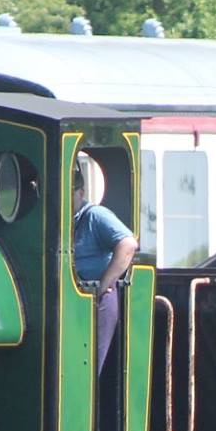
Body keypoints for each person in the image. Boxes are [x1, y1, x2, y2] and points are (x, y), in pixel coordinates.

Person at [72, 152, 137, 374]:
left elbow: (128, 244)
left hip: (97, 302)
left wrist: (105, 284)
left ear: (80, 192)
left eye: (69, 194)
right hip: (74, 301)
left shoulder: (95, 216)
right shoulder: (63, 222)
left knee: (89, 367)